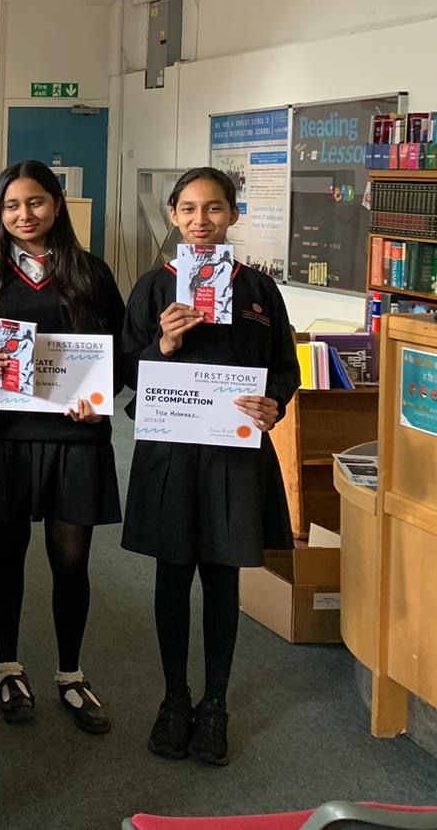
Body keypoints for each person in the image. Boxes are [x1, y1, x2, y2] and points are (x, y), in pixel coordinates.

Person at [121, 166, 298, 767]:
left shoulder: (259, 289)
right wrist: (164, 345)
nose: (202, 220)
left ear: (233, 215)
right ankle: (175, 698)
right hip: (171, 451)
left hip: (233, 454)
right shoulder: (153, 287)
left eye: (214, 208)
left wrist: (274, 403)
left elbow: (285, 367)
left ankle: (215, 703)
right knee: (172, 575)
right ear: (173, 216)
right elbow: (125, 371)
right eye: (190, 209)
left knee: (223, 578)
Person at [0, 161, 128, 735]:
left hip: (75, 437)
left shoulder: (90, 271)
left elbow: (121, 350)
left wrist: (101, 397)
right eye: (11, 206)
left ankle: (70, 672)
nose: (24, 215)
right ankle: (8, 666)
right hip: (4, 438)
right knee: (6, 554)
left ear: (57, 205)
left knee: (72, 561)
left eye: (35, 202)